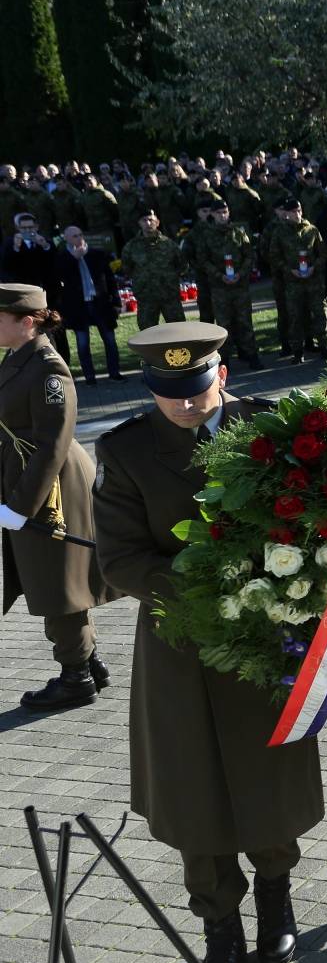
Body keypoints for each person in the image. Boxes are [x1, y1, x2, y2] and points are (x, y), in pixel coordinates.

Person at [94, 322, 321, 963]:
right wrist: (212, 582)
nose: (188, 405)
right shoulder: (128, 452)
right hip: (182, 645)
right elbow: (120, 561)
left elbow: (312, 511)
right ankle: (218, 920)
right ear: (151, 389)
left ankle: (276, 903)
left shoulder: (271, 428)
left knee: (269, 779)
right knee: (194, 790)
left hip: (267, 639)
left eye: (197, 389)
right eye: (172, 395)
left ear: (222, 374)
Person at [0, 283, 115, 711]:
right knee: (53, 578)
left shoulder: (48, 367)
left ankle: (76, 678)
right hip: (30, 479)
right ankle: (88, 662)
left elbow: (51, 443)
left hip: (51, 489)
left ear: (26, 322)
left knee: (58, 583)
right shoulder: (18, 357)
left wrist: (20, 507)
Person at [187, 197, 262, 369]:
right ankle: (225, 359)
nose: (223, 215)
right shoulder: (206, 236)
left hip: (239, 285)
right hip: (219, 287)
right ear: (213, 214)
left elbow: (249, 255)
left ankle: (251, 355)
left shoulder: (239, 232)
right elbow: (203, 260)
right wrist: (219, 275)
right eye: (219, 212)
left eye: (225, 212)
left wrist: (241, 273)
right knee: (223, 323)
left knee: (244, 321)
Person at [265, 198, 327, 363]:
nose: (297, 214)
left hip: (314, 281)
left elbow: (323, 253)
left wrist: (314, 267)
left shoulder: (312, 230)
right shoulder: (280, 232)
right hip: (293, 282)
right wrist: (289, 270)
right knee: (295, 316)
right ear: (287, 214)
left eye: (299, 210)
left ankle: (325, 346)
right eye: (293, 212)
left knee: (320, 313)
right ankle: (297, 351)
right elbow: (274, 256)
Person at [53, 226, 125, 384]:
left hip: (101, 303)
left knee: (110, 340)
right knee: (83, 344)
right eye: (74, 236)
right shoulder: (63, 258)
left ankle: (114, 373)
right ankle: (90, 377)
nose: (78, 238)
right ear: (66, 238)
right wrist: (75, 259)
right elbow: (61, 278)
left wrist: (117, 301)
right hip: (78, 306)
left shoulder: (97, 254)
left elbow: (110, 280)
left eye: (80, 235)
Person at [121, 208, 188, 329]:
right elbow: (127, 268)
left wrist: (170, 278)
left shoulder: (169, 244)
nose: (148, 223)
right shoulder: (131, 247)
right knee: (147, 334)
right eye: (144, 220)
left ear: (157, 222)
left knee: (179, 330)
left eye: (151, 220)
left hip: (169, 295)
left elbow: (183, 266)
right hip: (146, 297)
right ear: (139, 223)